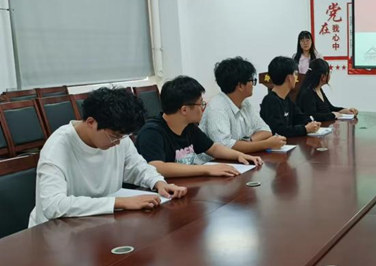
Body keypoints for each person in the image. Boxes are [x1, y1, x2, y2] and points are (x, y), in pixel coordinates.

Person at [29, 87, 187, 227]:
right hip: (55, 231)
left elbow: (137, 167)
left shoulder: (117, 136)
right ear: (91, 122)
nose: (118, 143)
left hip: (97, 223)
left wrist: (158, 182)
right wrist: (120, 202)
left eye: (123, 137)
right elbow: (53, 205)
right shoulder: (57, 147)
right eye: (114, 136)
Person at [136, 76, 263, 178]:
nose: (203, 108)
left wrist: (239, 155)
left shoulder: (189, 127)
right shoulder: (151, 132)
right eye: (200, 104)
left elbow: (213, 148)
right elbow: (157, 167)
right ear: (184, 110)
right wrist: (207, 169)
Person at [200, 56, 287, 153]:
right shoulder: (217, 107)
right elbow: (224, 147)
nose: (253, 84)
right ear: (240, 86)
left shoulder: (245, 103)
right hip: (212, 161)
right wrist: (266, 144)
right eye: (251, 80)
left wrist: (248, 141)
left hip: (238, 159)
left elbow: (266, 131)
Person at [260, 56, 321, 137]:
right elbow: (278, 130)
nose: (296, 77)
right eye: (295, 74)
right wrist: (305, 129)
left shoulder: (286, 98)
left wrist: (311, 122)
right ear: (289, 78)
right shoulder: (270, 101)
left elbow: (299, 117)